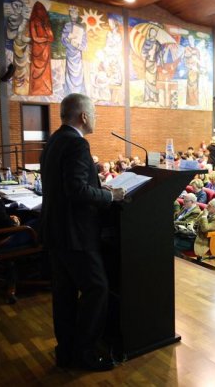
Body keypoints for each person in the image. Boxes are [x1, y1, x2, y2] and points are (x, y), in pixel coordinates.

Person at [40, 93, 125, 371]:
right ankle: (85, 353)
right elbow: (77, 190)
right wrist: (109, 197)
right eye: (95, 113)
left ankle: (66, 351)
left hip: (55, 230)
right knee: (97, 288)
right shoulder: (77, 145)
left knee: (63, 295)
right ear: (84, 116)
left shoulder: (54, 140)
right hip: (76, 233)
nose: (96, 118)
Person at [61, 6, 87, 95]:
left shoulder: (81, 28)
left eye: (75, 13)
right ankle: (69, 91)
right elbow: (63, 40)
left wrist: (78, 45)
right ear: (69, 14)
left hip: (77, 54)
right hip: (69, 52)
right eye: (72, 13)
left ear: (78, 14)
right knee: (69, 73)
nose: (73, 15)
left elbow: (84, 44)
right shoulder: (67, 25)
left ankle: (79, 91)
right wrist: (68, 38)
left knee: (78, 73)